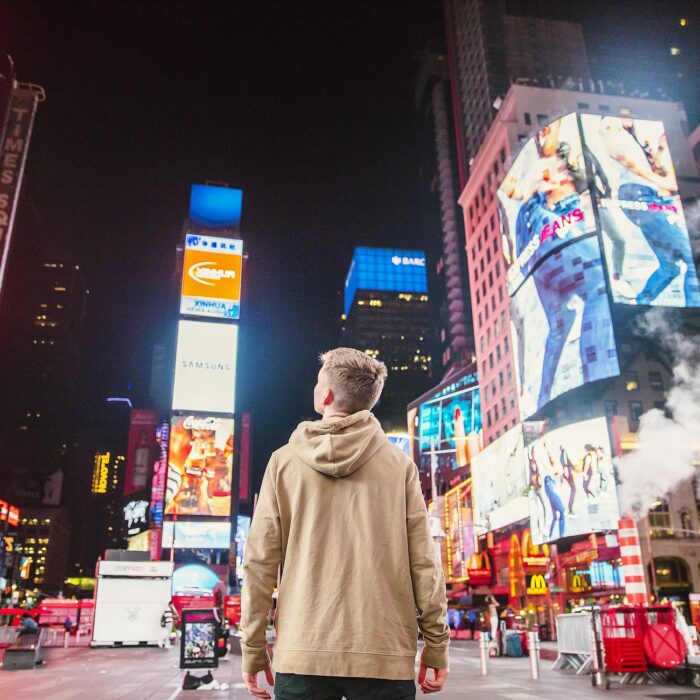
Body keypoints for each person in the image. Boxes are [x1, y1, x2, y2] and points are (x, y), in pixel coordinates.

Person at [241, 348, 449, 699]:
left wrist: (253, 646)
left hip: (301, 653)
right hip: (384, 656)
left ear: (325, 395)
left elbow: (259, 563)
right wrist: (436, 643)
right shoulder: (400, 467)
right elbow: (425, 564)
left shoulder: (283, 463)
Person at [559, 445, 577, 515]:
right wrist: (566, 471)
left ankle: (570, 507)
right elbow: (565, 463)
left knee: (573, 489)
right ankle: (570, 509)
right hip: (568, 472)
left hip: (567, 472)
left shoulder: (561, 455)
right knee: (574, 489)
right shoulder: (564, 453)